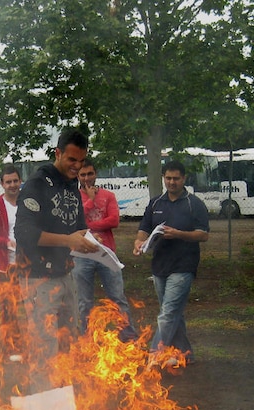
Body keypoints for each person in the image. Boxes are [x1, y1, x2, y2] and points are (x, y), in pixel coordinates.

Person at [14, 128, 98, 381]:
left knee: (67, 345)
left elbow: (76, 227)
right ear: (58, 153)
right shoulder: (37, 183)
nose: (77, 166)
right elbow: (24, 233)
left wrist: (90, 240)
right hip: (38, 277)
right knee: (44, 349)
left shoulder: (73, 184)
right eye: (72, 159)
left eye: (81, 161)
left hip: (65, 274)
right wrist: (67, 240)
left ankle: (64, 405)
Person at [132, 160, 209, 365]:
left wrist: (179, 234)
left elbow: (203, 235)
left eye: (176, 178)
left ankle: (154, 355)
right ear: (164, 178)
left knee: (167, 313)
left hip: (184, 265)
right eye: (168, 178)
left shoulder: (194, 203)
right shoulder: (156, 202)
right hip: (160, 266)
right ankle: (185, 353)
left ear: (184, 179)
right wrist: (139, 242)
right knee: (173, 312)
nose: (172, 182)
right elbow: (144, 227)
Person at [73, 158, 137, 341]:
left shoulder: (108, 196)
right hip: (82, 255)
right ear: (77, 176)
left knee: (117, 297)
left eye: (90, 173)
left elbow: (114, 220)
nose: (86, 178)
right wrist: (90, 201)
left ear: (96, 174)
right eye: (82, 174)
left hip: (106, 253)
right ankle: (87, 339)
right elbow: (74, 222)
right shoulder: (74, 197)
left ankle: (128, 336)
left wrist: (89, 225)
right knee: (84, 302)